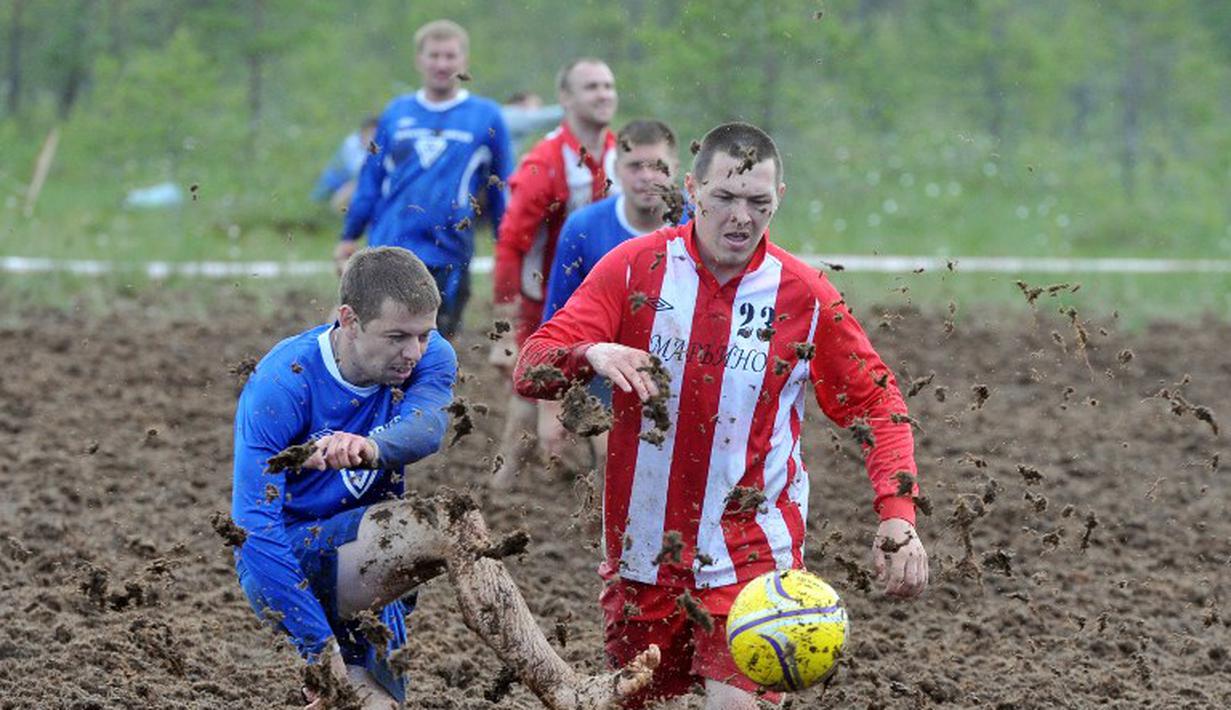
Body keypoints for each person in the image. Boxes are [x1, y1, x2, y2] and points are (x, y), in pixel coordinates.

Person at [513, 123, 929, 709]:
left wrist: (898, 514)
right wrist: (590, 354)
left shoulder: (804, 296)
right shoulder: (633, 269)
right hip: (642, 552)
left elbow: (877, 403)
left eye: (758, 202)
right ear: (692, 189)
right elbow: (532, 365)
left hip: (752, 555)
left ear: (779, 197)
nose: (740, 217)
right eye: (725, 198)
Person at [231, 246, 658, 709]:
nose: (412, 352)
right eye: (397, 336)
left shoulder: (429, 354)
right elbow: (254, 532)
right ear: (349, 319)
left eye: (423, 335)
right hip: (286, 565)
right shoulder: (283, 381)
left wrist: (370, 447)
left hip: (366, 559)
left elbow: (427, 427)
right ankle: (565, 690)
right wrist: (319, 648)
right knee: (451, 522)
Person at [498, 119, 684, 487]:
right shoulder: (584, 227)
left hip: (679, 359)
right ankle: (502, 489)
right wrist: (551, 407)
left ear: (676, 169)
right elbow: (557, 318)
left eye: (658, 166)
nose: (647, 176)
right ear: (616, 169)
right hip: (605, 361)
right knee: (608, 451)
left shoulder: (698, 225)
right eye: (635, 166)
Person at [336, 19, 514, 339]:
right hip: (391, 247)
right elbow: (371, 179)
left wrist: (508, 245)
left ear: (464, 60)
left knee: (434, 344)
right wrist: (349, 235)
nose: (442, 64)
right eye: (434, 56)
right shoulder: (397, 112)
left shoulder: (486, 116)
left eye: (450, 56)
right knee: (380, 340)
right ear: (419, 59)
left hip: (449, 251)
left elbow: (501, 187)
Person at [490, 57, 619, 488]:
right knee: (531, 398)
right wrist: (504, 327)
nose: (603, 94)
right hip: (546, 302)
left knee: (610, 398)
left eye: (608, 85)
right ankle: (502, 491)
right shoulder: (544, 161)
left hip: (609, 301)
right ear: (565, 98)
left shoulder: (623, 157)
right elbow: (511, 244)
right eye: (591, 87)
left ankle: (604, 493)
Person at [311, 116, 379, 213]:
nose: (373, 138)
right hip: (336, 182)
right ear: (363, 133)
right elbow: (358, 171)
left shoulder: (373, 147)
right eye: (371, 134)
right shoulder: (352, 144)